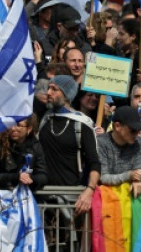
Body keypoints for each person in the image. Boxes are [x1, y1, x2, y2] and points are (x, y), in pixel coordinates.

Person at [38, 75, 100, 215]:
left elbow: (94, 163)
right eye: (48, 88)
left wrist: (89, 190)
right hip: (43, 197)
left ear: (66, 95)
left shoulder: (81, 123)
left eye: (54, 89)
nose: (48, 92)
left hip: (71, 199)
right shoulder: (45, 120)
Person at [0, 115, 47, 191]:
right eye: (11, 124)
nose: (13, 128)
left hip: (27, 196)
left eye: (18, 125)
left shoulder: (35, 146)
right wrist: (16, 177)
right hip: (3, 195)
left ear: (29, 129)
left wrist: (29, 178)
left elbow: (43, 175)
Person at [97, 106, 141, 196]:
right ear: (117, 126)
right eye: (133, 130)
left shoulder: (138, 142)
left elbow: (140, 170)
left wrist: (138, 180)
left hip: (128, 193)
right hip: (105, 195)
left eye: (139, 130)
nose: (137, 134)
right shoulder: (101, 142)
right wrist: (130, 175)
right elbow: (103, 177)